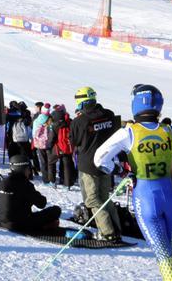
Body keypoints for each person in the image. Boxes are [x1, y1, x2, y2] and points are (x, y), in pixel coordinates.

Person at [95, 84, 172, 281]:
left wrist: (119, 170)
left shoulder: (128, 132)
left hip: (145, 196)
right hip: (169, 195)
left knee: (162, 251)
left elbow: (99, 159)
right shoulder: (171, 131)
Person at [71, 86, 122, 241]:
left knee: (93, 199)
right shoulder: (109, 115)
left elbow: (74, 141)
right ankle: (116, 229)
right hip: (106, 163)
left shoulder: (80, 121)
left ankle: (107, 232)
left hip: (88, 165)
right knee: (104, 197)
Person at [0, 155, 61, 232]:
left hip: (4, 222)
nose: (30, 172)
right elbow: (41, 203)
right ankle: (45, 227)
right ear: (23, 169)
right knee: (56, 210)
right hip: (21, 225)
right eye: (28, 169)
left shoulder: (3, 182)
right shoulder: (24, 184)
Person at [48, 105, 76, 189]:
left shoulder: (54, 125)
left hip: (57, 148)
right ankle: (67, 184)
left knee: (51, 163)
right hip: (67, 147)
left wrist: (49, 146)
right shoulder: (69, 122)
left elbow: (52, 138)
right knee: (67, 165)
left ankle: (52, 182)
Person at [32, 104, 52, 184]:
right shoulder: (51, 119)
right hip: (49, 143)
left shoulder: (37, 120)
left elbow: (34, 133)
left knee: (43, 161)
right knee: (50, 161)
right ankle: (51, 178)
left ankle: (45, 179)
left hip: (40, 143)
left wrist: (35, 140)